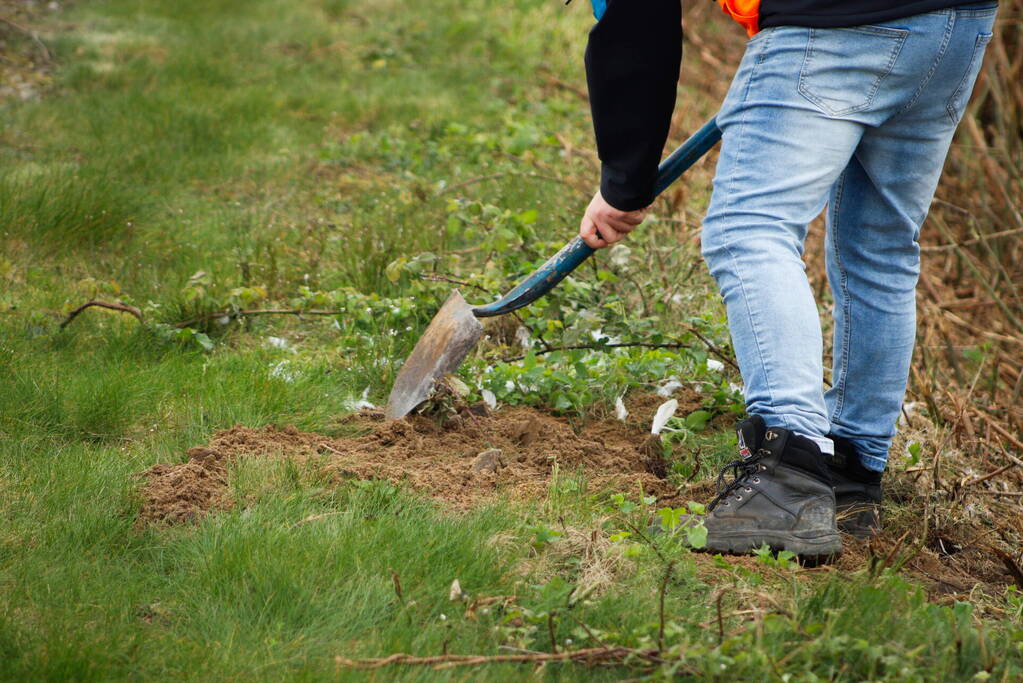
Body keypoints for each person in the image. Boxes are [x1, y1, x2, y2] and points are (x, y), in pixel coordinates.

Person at [578, 0, 998, 557]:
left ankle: (789, 479)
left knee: (747, 228)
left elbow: (636, 18)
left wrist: (623, 182)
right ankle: (850, 475)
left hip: (835, 24)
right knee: (881, 249)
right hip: (956, 24)